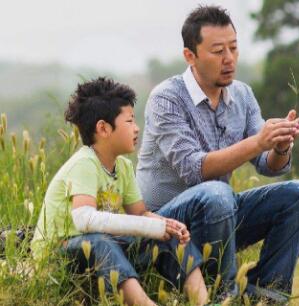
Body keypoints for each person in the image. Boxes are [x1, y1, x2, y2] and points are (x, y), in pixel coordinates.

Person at [136, 5, 299, 303]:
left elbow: (268, 166)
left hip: (219, 214)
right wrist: (259, 141)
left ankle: (266, 293)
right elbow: (193, 169)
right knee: (217, 193)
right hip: (165, 227)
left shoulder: (242, 95)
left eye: (233, 48)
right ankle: (224, 294)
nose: (229, 59)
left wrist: (280, 145)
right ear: (190, 56)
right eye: (218, 51)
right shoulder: (166, 99)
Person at [31, 77, 210, 306]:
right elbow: (84, 220)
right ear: (103, 128)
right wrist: (149, 226)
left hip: (102, 246)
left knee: (167, 238)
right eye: (129, 121)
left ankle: (204, 301)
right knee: (99, 242)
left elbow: (139, 214)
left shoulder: (123, 166)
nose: (136, 129)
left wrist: (166, 224)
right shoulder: (84, 164)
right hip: (60, 255)